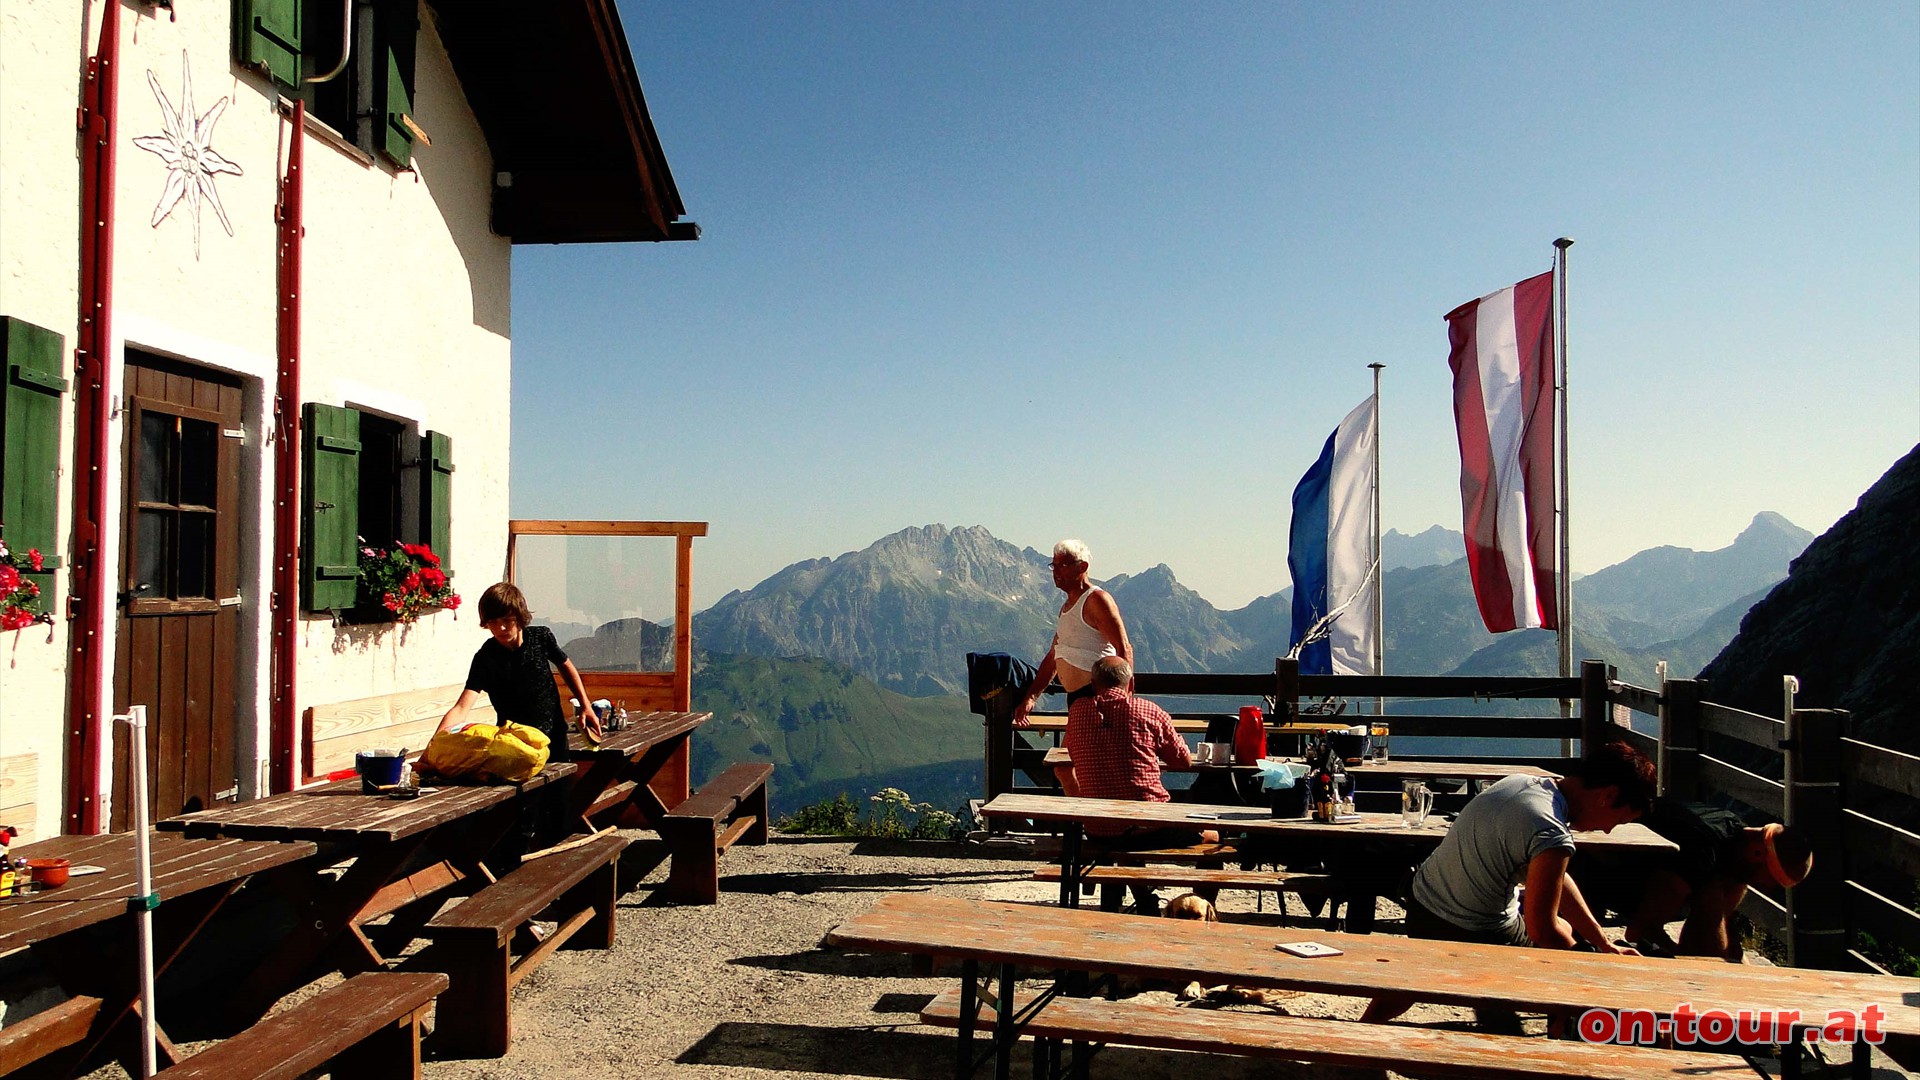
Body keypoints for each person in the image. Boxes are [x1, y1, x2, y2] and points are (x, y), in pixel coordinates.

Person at [1361, 740, 1657, 1026]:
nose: (1606, 830)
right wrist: (1587, 961)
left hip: (1421, 907)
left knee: (1419, 971)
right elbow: (1541, 928)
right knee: (1563, 941)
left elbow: (1554, 878)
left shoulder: (1521, 783)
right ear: (1607, 795)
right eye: (1616, 820)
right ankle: (1564, 1027)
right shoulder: (1550, 833)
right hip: (1471, 930)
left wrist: (1601, 941)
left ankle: (1367, 1026)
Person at [436, 583, 603, 869]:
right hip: (514, 748)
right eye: (493, 623)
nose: (501, 629)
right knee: (521, 816)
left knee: (559, 810)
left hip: (554, 736)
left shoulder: (541, 638)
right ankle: (512, 876)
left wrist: (585, 705)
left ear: (519, 616)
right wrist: (435, 745)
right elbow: (463, 706)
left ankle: (554, 873)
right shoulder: (486, 657)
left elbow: (566, 666)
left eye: (506, 621)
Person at [1062, 656, 1212, 915]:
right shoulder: (1148, 711)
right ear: (1130, 683)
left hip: (1097, 827)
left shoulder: (1076, 713)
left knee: (1124, 840)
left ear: (1093, 684)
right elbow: (1183, 761)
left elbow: (1070, 756)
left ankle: (1144, 903)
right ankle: (1204, 911)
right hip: (1150, 826)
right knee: (1214, 836)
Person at [1614, 800, 1813, 960]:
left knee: (1725, 885)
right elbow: (1640, 930)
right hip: (1609, 868)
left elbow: (1723, 919)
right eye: (1771, 880)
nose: (1768, 889)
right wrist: (1689, 965)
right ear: (1758, 852)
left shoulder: (1731, 830)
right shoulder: (1701, 851)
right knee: (1713, 891)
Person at [1014, 539, 1133, 741]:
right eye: (1054, 565)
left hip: (1097, 697)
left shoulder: (1097, 600)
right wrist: (1031, 697)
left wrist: (1124, 700)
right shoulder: (1067, 607)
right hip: (1077, 699)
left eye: (1063, 565)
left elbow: (1124, 649)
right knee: (1072, 766)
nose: (1056, 572)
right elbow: (1054, 655)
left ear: (1082, 567)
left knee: (1070, 765)